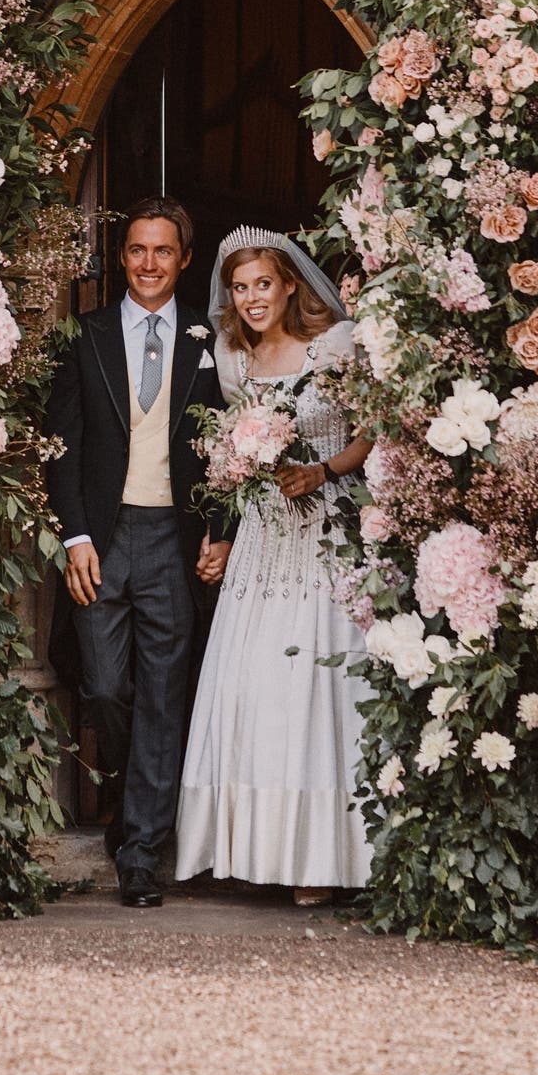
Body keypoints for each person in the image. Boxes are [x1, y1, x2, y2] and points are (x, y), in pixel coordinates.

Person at [175, 226, 373, 903]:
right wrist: (221, 532)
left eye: (263, 283)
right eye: (240, 287)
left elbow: (370, 429)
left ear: (291, 283)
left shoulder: (334, 346)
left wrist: (322, 468)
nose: (252, 297)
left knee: (317, 688)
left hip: (326, 530)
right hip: (262, 540)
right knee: (255, 685)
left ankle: (322, 858)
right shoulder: (234, 358)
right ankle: (254, 847)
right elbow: (232, 465)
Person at [45, 196, 227, 908]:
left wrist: (219, 526)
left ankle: (142, 851)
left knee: (162, 695)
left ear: (184, 258)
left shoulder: (210, 341)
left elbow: (231, 449)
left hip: (173, 540)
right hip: (103, 535)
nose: (149, 263)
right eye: (137, 251)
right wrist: (75, 534)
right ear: (122, 258)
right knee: (105, 687)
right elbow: (60, 447)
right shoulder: (84, 336)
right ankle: (128, 796)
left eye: (163, 251)